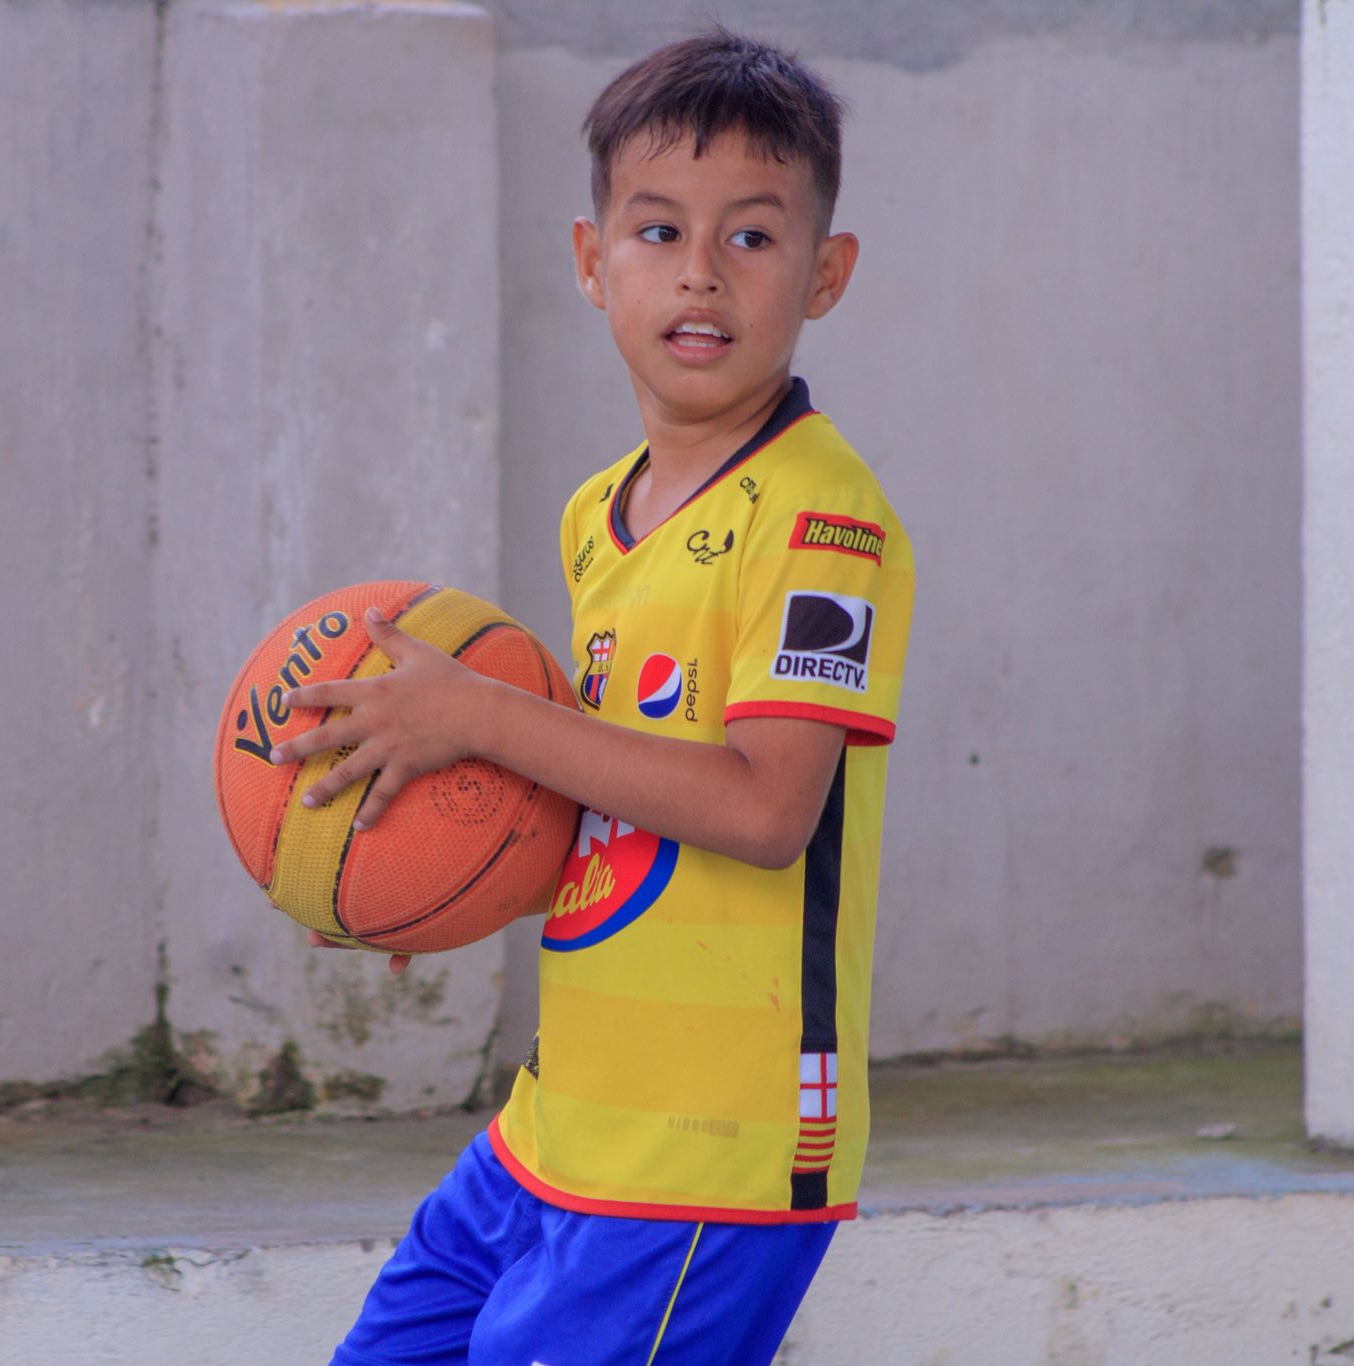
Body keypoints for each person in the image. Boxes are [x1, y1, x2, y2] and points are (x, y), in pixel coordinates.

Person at [268, 26, 915, 1365]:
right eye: (658, 228)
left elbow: (764, 809)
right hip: (557, 1125)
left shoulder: (822, 521)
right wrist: (427, 866)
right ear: (590, 259)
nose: (700, 269)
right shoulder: (595, 515)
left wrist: (478, 716)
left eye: (752, 235)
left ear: (827, 272)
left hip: (705, 1155)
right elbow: (620, 802)